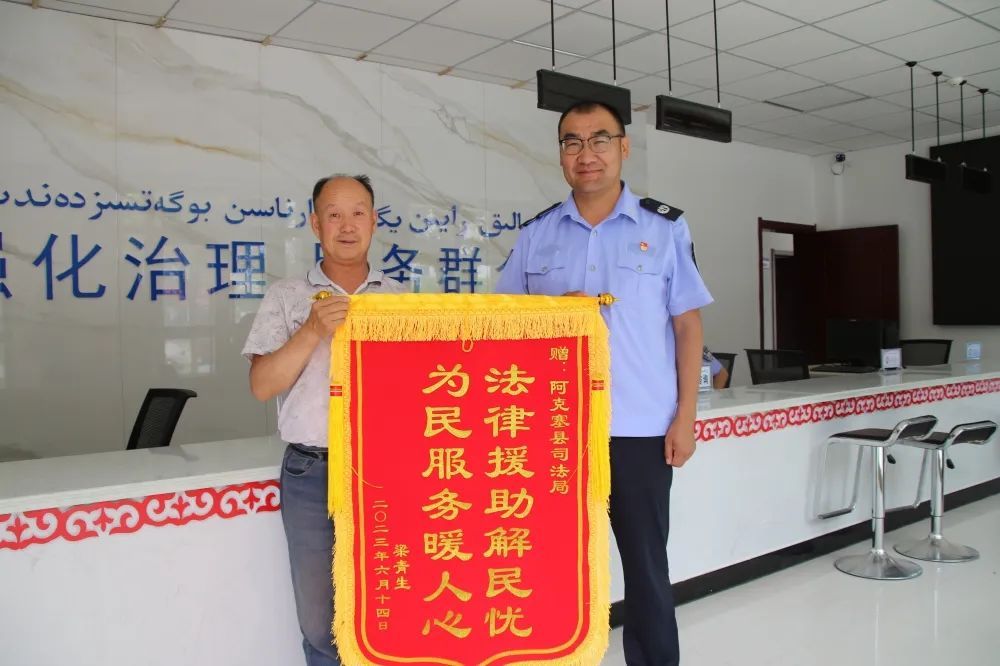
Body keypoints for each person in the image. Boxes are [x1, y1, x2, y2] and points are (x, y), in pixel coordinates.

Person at [495, 100, 713, 666]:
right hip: (552, 432)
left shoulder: (664, 228)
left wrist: (686, 417)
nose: (585, 153)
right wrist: (552, 315)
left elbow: (687, 326)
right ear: (560, 155)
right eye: (572, 141)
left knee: (646, 569)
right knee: (546, 565)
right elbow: (501, 325)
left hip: (640, 430)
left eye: (599, 139)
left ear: (623, 147)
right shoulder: (537, 234)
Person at [242, 174, 406, 665]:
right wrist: (312, 330)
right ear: (316, 224)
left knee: (390, 609)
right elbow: (261, 385)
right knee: (320, 621)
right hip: (312, 471)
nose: (347, 225)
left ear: (374, 221)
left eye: (358, 213)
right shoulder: (288, 296)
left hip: (388, 471)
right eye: (334, 214)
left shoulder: (403, 300)